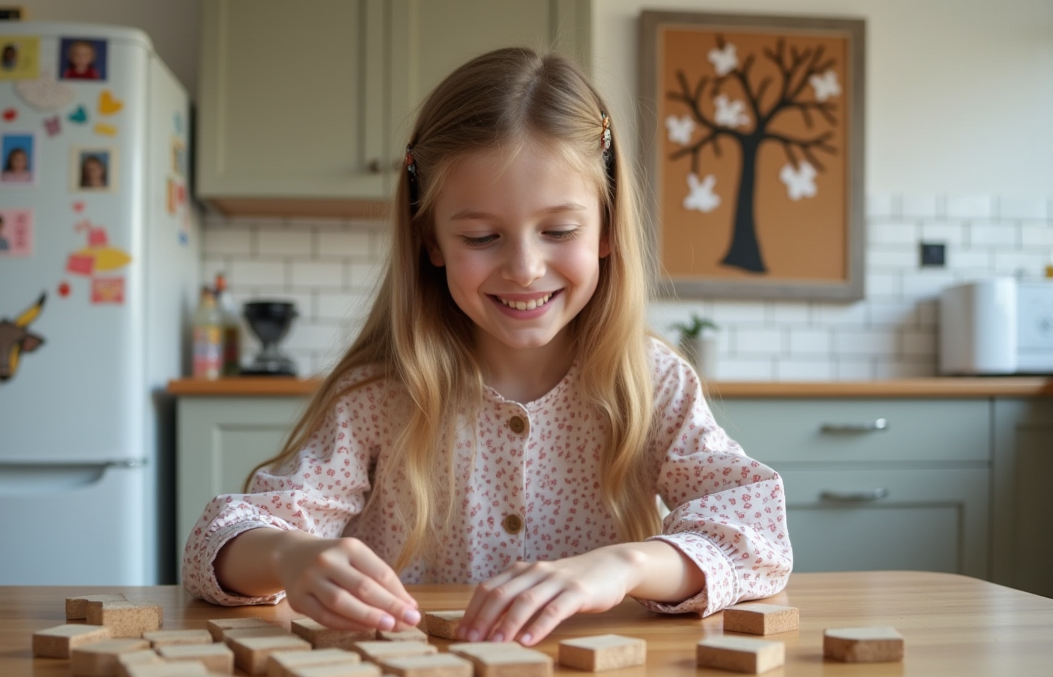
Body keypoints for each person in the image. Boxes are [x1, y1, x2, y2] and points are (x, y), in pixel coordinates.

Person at [182, 48, 791, 645]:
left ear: (606, 228)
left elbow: (758, 535)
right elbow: (215, 543)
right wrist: (288, 555)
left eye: (559, 230)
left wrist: (625, 566)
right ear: (432, 241)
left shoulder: (653, 382)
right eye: (480, 236)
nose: (524, 268)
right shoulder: (378, 395)